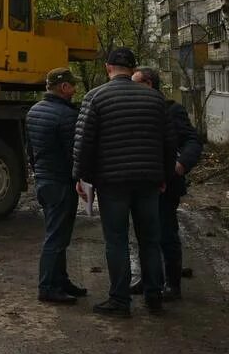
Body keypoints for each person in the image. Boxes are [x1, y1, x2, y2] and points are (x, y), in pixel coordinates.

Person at [72, 47, 176, 317]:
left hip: (112, 182)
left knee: (116, 240)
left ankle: (120, 300)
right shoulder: (155, 99)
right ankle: (154, 296)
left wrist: (82, 178)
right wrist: (163, 176)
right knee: (150, 240)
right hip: (148, 181)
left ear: (108, 68)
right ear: (132, 68)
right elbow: (168, 142)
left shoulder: (96, 98)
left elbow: (84, 143)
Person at [130, 66, 203, 301]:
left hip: (166, 183)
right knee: (144, 234)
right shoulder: (136, 109)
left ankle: (173, 284)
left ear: (149, 84)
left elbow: (192, 140)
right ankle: (150, 278)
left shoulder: (171, 110)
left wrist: (181, 165)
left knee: (166, 234)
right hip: (142, 182)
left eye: (135, 82)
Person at [26, 67, 87, 304]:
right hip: (61, 183)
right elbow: (74, 154)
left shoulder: (34, 111)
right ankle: (48, 287)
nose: (75, 90)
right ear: (63, 87)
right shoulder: (66, 115)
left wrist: (39, 170)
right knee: (56, 237)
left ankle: (61, 280)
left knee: (58, 234)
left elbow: (30, 149)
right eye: (72, 86)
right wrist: (80, 179)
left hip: (44, 180)